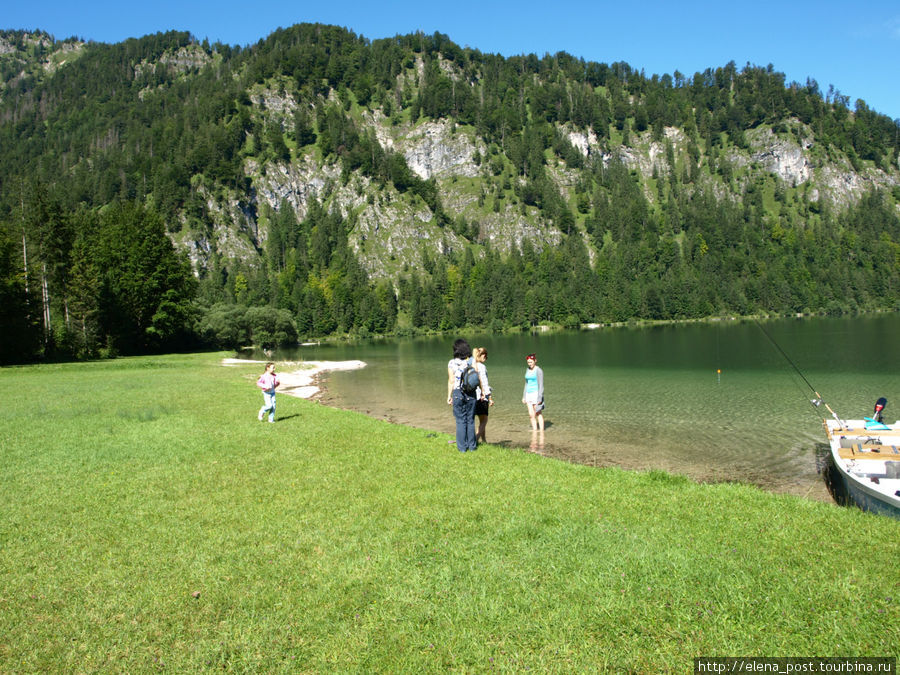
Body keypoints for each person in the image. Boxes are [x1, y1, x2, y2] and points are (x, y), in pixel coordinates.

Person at [447, 338, 483, 452]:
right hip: (471, 392)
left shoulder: (452, 362)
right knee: (470, 420)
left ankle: (462, 448)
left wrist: (449, 396)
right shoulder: (472, 361)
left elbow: (451, 380)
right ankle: (472, 446)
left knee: (460, 420)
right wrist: (482, 391)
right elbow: (477, 377)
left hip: (457, 392)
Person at [473, 347, 493, 443]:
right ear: (483, 355)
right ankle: (476, 439)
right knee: (484, 420)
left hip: (472, 396)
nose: (486, 358)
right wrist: (489, 397)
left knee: (481, 420)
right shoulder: (481, 367)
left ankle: (484, 440)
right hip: (481, 397)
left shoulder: (472, 365)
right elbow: (484, 383)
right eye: (486, 356)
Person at [522, 353, 545, 432]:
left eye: (531, 362)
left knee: (538, 413)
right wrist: (524, 396)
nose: (530, 364)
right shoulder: (527, 369)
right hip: (528, 394)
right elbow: (526, 383)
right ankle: (535, 431)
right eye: (528, 362)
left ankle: (541, 431)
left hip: (536, 394)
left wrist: (540, 397)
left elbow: (541, 385)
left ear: (535, 361)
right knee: (531, 415)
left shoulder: (539, 370)